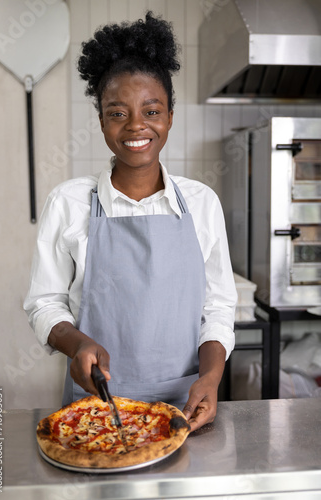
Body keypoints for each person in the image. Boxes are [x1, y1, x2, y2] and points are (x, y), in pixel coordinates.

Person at [24, 12, 237, 432]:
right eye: (118, 113)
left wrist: (211, 378)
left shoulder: (202, 202)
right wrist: (79, 344)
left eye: (151, 109)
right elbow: (44, 303)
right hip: (98, 410)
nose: (136, 125)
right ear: (101, 121)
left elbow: (217, 307)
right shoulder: (68, 203)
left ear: (170, 116)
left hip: (186, 410)